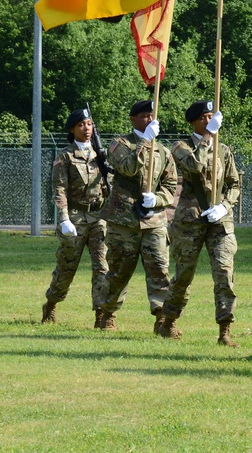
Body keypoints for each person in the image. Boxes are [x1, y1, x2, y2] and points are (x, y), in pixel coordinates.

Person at [158, 100, 242, 346]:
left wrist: (224, 206)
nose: (208, 121)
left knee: (224, 275)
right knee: (184, 274)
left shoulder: (223, 150)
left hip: (220, 222)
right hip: (190, 221)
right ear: (193, 121)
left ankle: (225, 331)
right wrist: (208, 137)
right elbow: (194, 165)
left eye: (211, 117)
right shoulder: (180, 147)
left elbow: (234, 185)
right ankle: (169, 321)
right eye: (204, 118)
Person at [95, 99, 176, 332]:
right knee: (119, 271)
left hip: (154, 222)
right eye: (144, 116)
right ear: (133, 119)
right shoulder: (119, 144)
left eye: (152, 116)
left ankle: (163, 319)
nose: (149, 120)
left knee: (160, 271)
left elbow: (170, 186)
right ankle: (108, 313)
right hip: (124, 221)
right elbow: (129, 168)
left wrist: (158, 200)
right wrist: (144, 141)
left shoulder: (163, 152)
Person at [41, 107, 109, 327]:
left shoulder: (102, 154)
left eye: (89, 124)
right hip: (75, 217)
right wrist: (63, 218)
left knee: (102, 266)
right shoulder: (66, 156)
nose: (86, 128)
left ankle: (102, 314)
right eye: (81, 125)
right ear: (72, 129)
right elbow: (59, 188)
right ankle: (51, 303)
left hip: (98, 216)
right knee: (67, 266)